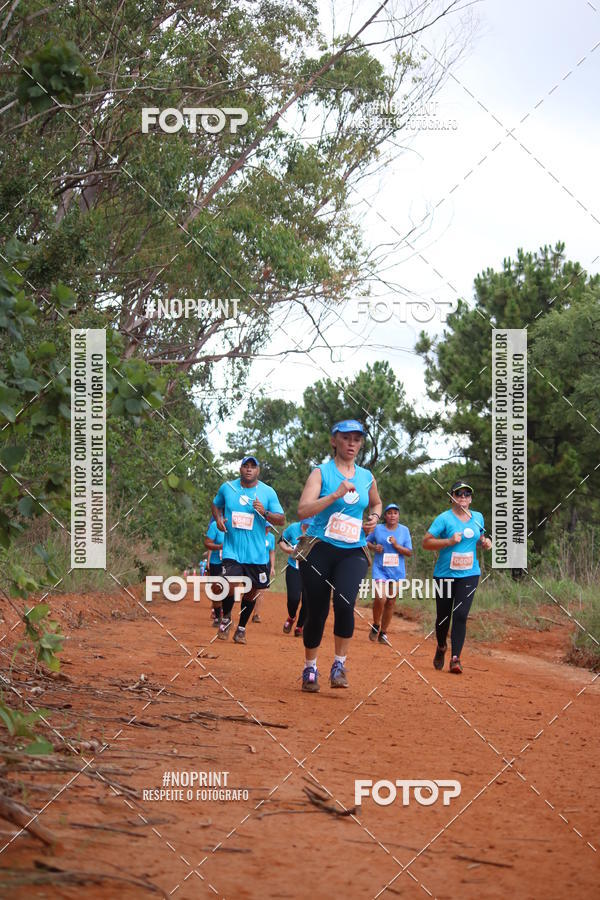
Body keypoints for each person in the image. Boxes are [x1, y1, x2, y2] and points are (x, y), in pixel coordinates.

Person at [297, 419, 381, 692]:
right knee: (317, 611)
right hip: (319, 548)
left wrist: (374, 518)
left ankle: (339, 666)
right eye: (346, 438)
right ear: (334, 441)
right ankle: (310, 667)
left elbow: (376, 502)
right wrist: (335, 495)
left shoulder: (366, 477)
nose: (352, 443)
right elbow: (303, 510)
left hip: (353, 551)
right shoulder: (321, 473)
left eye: (357, 439)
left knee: (345, 603)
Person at [212, 456, 285, 644]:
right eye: (246, 466)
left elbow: (281, 519)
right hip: (232, 550)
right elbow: (216, 504)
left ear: (258, 470)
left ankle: (241, 629)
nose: (249, 469)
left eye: (253, 466)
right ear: (240, 469)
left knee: (252, 592)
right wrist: (218, 520)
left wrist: (264, 512)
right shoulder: (228, 488)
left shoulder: (268, 492)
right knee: (228, 583)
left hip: (257, 554)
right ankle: (226, 617)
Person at [422, 481, 492, 673]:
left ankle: (455, 659)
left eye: (467, 494)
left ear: (471, 499)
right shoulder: (443, 519)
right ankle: (441, 646)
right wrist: (448, 541)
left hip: (469, 574)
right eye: (459, 494)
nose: (463, 497)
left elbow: (478, 538)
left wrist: (485, 542)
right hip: (444, 575)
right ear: (452, 497)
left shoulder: (478, 517)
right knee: (443, 617)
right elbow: (426, 543)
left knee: (460, 615)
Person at [366, 503, 412, 645]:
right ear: (385, 516)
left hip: (397, 571)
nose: (392, 515)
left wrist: (397, 546)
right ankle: (376, 624)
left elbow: (409, 552)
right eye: (389, 513)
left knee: (391, 602)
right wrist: (375, 547)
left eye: (395, 513)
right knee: (381, 598)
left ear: (398, 516)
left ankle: (383, 633)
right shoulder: (378, 529)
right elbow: (366, 542)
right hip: (380, 569)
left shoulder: (404, 530)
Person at [279, 518, 313, 636]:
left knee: (307, 601)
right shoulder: (293, 528)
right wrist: (287, 549)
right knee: (293, 598)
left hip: (311, 571)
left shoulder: (318, 529)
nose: (307, 526)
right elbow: (281, 541)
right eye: (306, 523)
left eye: (310, 523)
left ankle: (299, 626)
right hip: (294, 568)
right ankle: (291, 617)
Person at [252, 524, 276, 623]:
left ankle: (256, 614)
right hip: (253, 564)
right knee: (252, 590)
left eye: (269, 527)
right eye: (266, 527)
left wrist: (272, 567)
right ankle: (247, 610)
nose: (267, 529)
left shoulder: (271, 537)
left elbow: (272, 552)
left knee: (261, 590)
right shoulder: (255, 534)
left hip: (265, 566)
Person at [204, 516, 224, 626]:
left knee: (228, 588)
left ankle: (225, 615)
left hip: (231, 562)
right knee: (216, 588)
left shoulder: (236, 523)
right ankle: (217, 615)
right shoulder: (214, 524)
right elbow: (209, 546)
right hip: (216, 562)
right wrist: (208, 561)